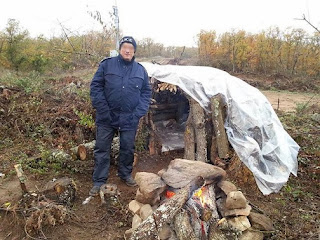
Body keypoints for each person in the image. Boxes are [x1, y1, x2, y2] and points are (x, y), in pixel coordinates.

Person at [89, 36, 151, 196]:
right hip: (106, 117)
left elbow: (146, 93)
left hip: (129, 118)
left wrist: (138, 113)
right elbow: (96, 87)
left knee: (127, 148)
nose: (128, 50)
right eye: (125, 47)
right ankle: (99, 180)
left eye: (130, 48)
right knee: (102, 148)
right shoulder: (107, 65)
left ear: (134, 51)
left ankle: (125, 174)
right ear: (120, 49)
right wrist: (103, 109)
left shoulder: (140, 70)